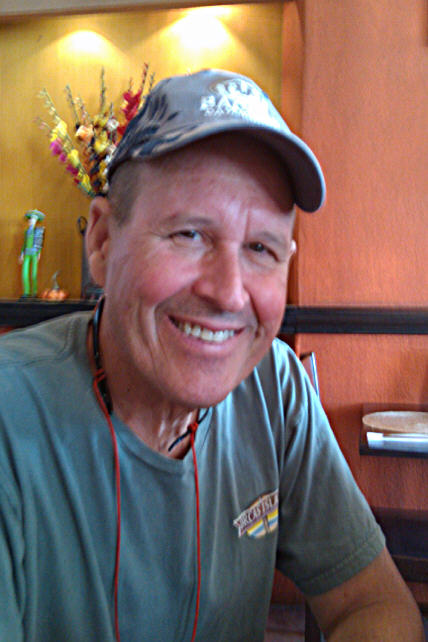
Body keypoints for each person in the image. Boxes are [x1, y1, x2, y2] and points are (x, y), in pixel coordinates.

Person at [0, 70, 423, 641]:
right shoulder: (11, 414)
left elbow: (373, 604)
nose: (229, 293)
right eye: (189, 235)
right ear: (101, 241)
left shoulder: (274, 386)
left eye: (260, 248)